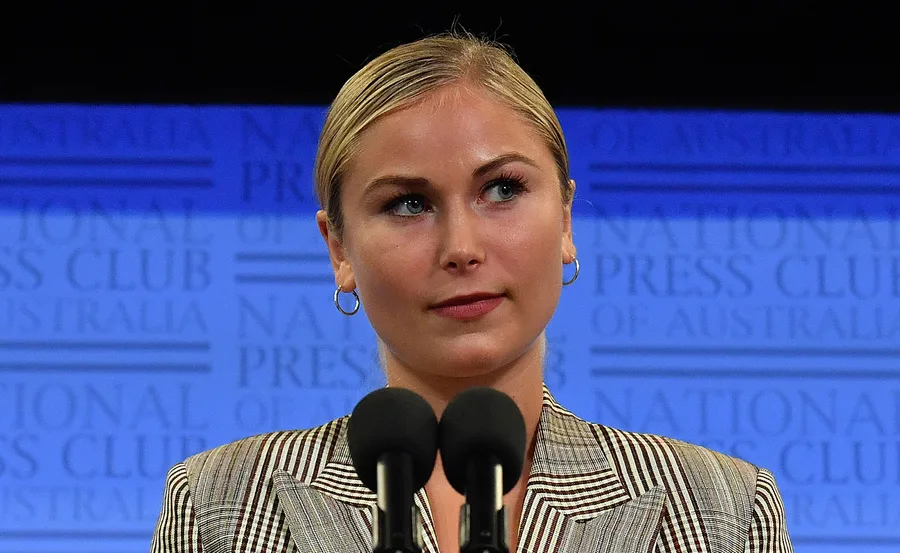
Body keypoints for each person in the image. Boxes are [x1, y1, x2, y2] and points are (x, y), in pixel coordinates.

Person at [150, 32, 793, 553]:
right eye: (408, 203)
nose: (461, 246)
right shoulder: (223, 504)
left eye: (502, 190)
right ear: (339, 249)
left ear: (566, 221)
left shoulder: (718, 510)